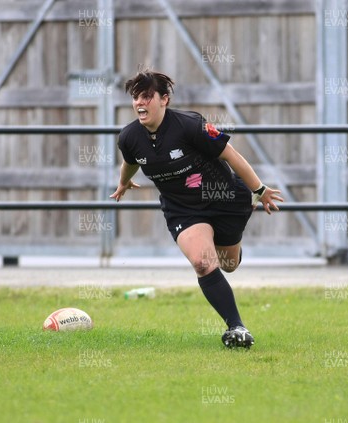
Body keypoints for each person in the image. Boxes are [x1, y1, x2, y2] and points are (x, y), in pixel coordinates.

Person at [111, 69, 283, 348]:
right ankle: (237, 327)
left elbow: (232, 154)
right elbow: (131, 160)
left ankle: (230, 249)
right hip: (183, 209)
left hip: (225, 199)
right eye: (135, 98)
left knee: (229, 265)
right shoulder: (129, 136)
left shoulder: (190, 125)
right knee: (203, 262)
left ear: (164, 99)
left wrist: (259, 190)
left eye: (146, 96)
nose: (140, 103)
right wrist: (123, 182)